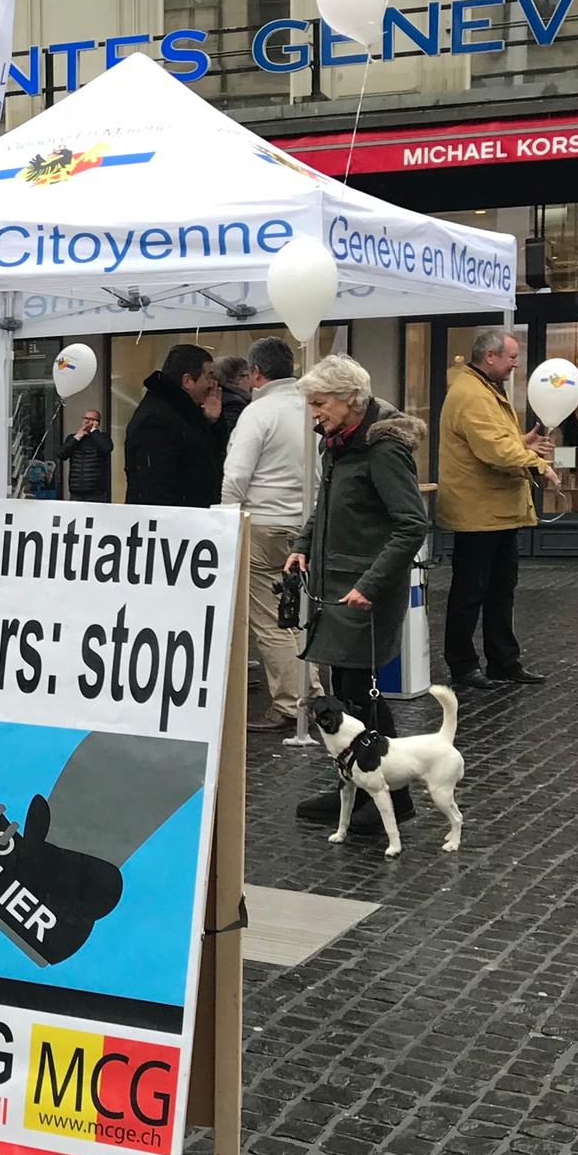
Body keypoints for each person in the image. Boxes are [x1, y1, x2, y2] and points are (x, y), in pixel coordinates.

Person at [285, 356, 430, 827]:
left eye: (320, 402)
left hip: (363, 592)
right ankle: (350, 787)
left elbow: (411, 525)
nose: (314, 411)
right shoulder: (339, 443)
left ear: (351, 399)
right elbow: (326, 504)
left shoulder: (383, 450)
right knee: (343, 695)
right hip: (338, 587)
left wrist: (369, 585)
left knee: (359, 697)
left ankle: (392, 796)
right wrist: (304, 545)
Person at [436, 327, 554, 689]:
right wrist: (536, 462)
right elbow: (493, 450)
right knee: (471, 591)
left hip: (496, 509)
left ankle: (504, 661)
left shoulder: (483, 389)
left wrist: (522, 441)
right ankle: (463, 665)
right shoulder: (471, 393)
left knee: (501, 590)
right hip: (478, 512)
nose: (515, 364)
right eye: (511, 357)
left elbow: (496, 442)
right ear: (490, 357)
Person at [222, 337, 310, 731]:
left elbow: (237, 474)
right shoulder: (310, 406)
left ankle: (290, 703)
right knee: (302, 614)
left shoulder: (258, 413)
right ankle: (314, 692)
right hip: (304, 522)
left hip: (263, 523)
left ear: (256, 373)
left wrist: (225, 519)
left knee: (271, 620)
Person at [123, 342, 225, 507]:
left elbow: (210, 457)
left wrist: (212, 422)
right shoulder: (157, 419)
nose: (211, 384)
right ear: (188, 381)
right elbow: (155, 490)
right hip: (173, 526)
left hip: (193, 521)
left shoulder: (185, 412)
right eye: (208, 376)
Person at [62, 405, 113, 503]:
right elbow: (61, 454)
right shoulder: (73, 438)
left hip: (96, 492)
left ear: (96, 422)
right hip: (76, 491)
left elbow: (107, 448)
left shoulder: (102, 437)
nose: (86, 421)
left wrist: (94, 431)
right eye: (85, 418)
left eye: (90, 419)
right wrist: (76, 437)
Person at [210, 353, 255, 448]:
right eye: (248, 375)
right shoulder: (235, 404)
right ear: (239, 380)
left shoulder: (213, 399)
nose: (251, 379)